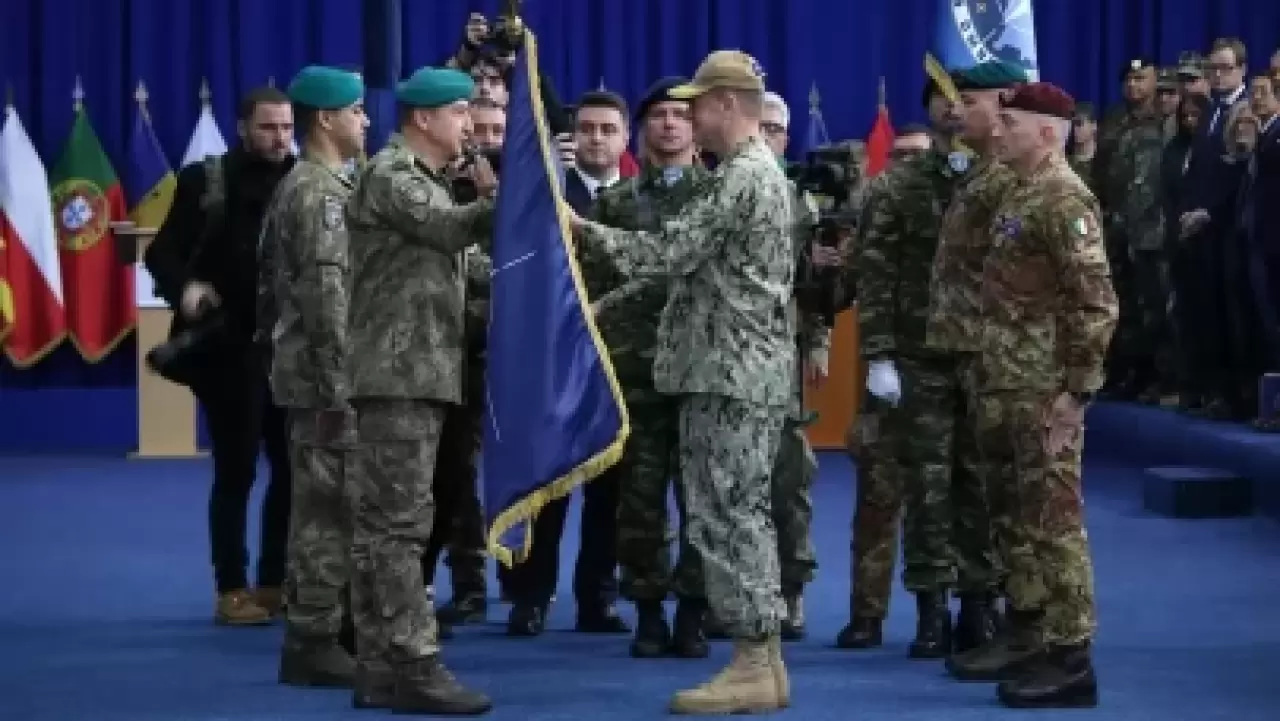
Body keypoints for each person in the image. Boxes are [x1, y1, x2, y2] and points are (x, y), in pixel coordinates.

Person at [568, 50, 793, 715]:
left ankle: (753, 660)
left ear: (726, 103)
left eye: (696, 105)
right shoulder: (754, 171)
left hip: (728, 373)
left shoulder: (742, 176)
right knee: (736, 512)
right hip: (730, 368)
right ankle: (762, 661)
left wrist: (581, 229)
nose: (689, 119)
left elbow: (666, 252)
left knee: (730, 516)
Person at [957, 81, 1116, 708]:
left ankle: (1073, 657)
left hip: (1045, 390)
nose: (998, 131)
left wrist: (1077, 395)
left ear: (1048, 132)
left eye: (1012, 123)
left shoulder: (1065, 198)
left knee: (1055, 522)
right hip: (1005, 382)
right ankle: (1031, 633)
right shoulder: (1020, 191)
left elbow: (1095, 304)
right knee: (1015, 519)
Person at [343, 66, 495, 715]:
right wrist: (508, 196)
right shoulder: (393, 175)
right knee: (400, 526)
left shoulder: (427, 181)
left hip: (419, 373)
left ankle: (379, 665)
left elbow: (466, 265)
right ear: (423, 119)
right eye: (460, 112)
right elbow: (450, 230)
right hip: (397, 374)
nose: (469, 123)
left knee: (388, 524)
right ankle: (413, 662)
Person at [842, 70, 999, 657]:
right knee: (928, 490)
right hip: (919, 358)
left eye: (965, 99)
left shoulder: (1003, 180)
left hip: (987, 356)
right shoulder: (898, 186)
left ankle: (980, 606)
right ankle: (932, 610)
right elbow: (876, 275)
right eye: (943, 99)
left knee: (980, 486)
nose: (954, 109)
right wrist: (878, 355)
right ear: (930, 108)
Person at [144, 86, 297, 625]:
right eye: (268, 128)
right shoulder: (204, 181)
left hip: (291, 350)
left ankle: (274, 582)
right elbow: (160, 252)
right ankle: (231, 588)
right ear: (242, 128)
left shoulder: (304, 180)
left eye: (287, 128)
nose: (279, 138)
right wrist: (185, 287)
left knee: (292, 470)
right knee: (237, 471)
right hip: (229, 352)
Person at [581, 76, 710, 659]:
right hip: (635, 372)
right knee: (639, 500)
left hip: (701, 369)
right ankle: (649, 609)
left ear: (697, 127)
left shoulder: (718, 196)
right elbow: (593, 285)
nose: (669, 124)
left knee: (702, 498)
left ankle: (694, 610)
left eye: (680, 115)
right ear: (642, 129)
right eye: (658, 115)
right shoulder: (616, 203)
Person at [258, 66, 368, 686]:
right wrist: (337, 391)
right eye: (356, 110)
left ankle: (330, 629)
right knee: (326, 512)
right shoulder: (318, 193)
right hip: (326, 381)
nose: (365, 121)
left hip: (312, 374)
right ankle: (314, 638)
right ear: (326, 119)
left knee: (331, 505)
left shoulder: (312, 184)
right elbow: (328, 300)